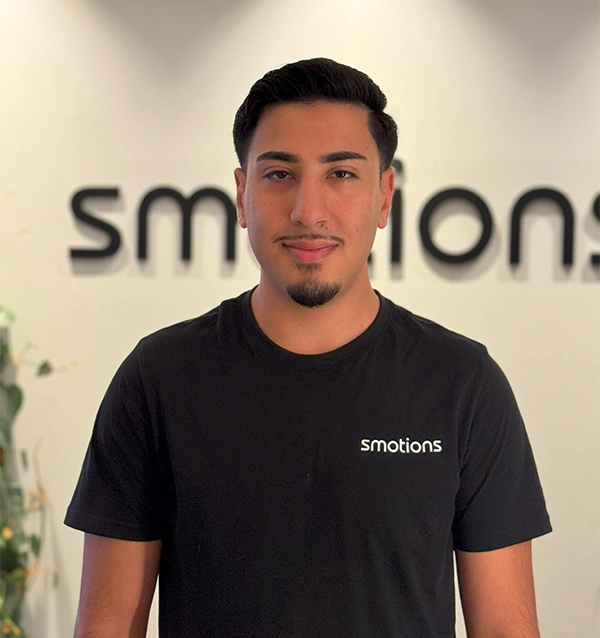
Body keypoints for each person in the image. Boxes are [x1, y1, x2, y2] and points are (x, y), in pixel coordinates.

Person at [65, 58, 551, 637]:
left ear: (385, 196)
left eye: (341, 174)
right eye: (279, 174)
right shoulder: (160, 378)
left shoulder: (462, 383)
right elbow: (106, 625)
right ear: (242, 195)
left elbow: (506, 629)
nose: (308, 212)